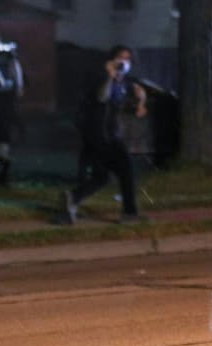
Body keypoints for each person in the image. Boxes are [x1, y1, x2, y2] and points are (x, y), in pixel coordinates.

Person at [59, 44, 146, 226]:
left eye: (128, 58)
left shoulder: (125, 82)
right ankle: (129, 213)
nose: (124, 62)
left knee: (101, 177)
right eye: (121, 58)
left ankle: (72, 198)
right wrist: (109, 76)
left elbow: (133, 99)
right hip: (101, 134)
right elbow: (102, 97)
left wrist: (140, 102)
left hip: (108, 133)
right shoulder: (103, 77)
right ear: (112, 59)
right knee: (126, 170)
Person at [0, 34, 24, 185]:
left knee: (2, 137)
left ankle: (3, 173)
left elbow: (18, 80)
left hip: (5, 101)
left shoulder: (10, 60)